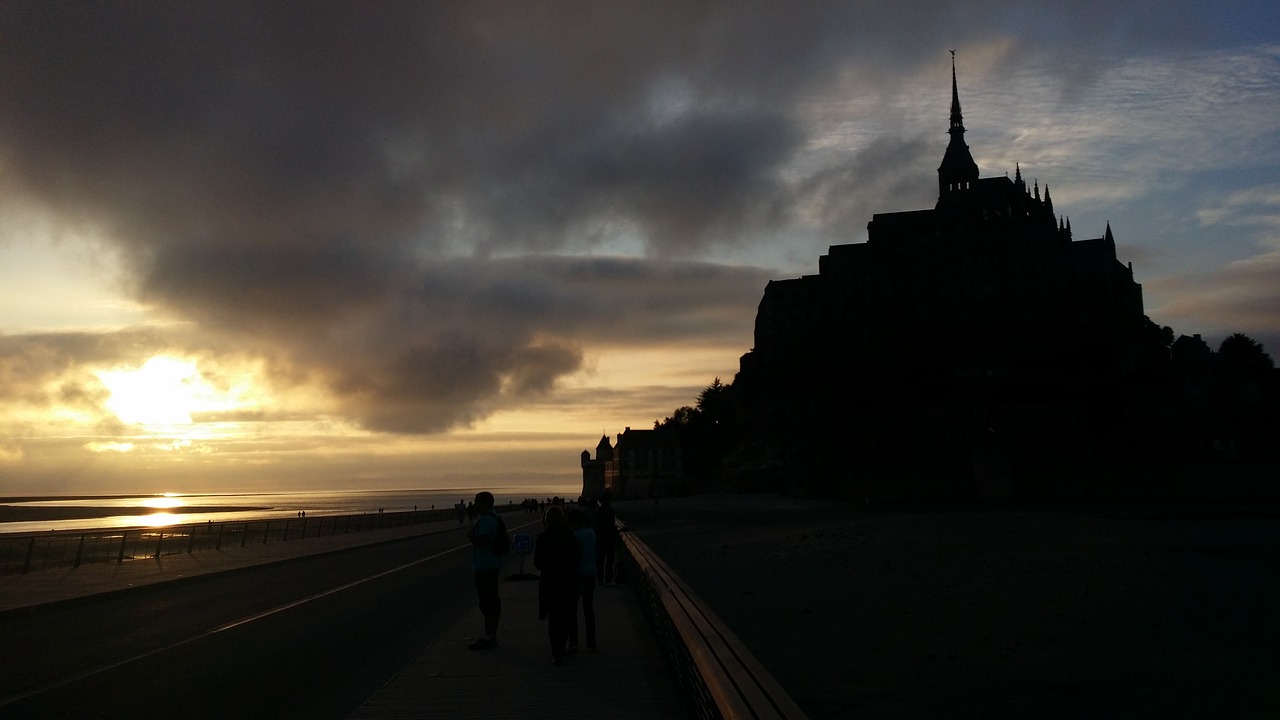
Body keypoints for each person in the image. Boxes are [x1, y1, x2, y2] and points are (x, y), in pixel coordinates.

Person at [534, 504, 578, 664]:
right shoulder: (569, 536)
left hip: (549, 581)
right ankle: (563, 646)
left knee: (553, 619)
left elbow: (537, 562)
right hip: (566, 580)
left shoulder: (542, 538)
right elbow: (575, 559)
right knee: (565, 616)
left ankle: (556, 652)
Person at [466, 491, 502, 650]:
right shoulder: (494, 516)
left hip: (486, 566)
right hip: (490, 564)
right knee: (490, 600)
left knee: (488, 602)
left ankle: (489, 636)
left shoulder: (487, 520)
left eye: (477, 501)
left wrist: (471, 537)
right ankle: (490, 635)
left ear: (485, 503)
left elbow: (482, 541)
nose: (474, 504)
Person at [568, 506, 597, 651]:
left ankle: (573, 642)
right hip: (591, 573)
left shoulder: (575, 536)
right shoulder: (591, 533)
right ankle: (591, 641)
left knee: (572, 609)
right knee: (588, 608)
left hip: (578, 575)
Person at [595, 490, 618, 585]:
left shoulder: (599, 510)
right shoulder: (610, 510)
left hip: (600, 537)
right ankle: (608, 579)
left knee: (600, 560)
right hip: (609, 538)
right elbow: (611, 524)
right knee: (609, 559)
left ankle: (600, 579)